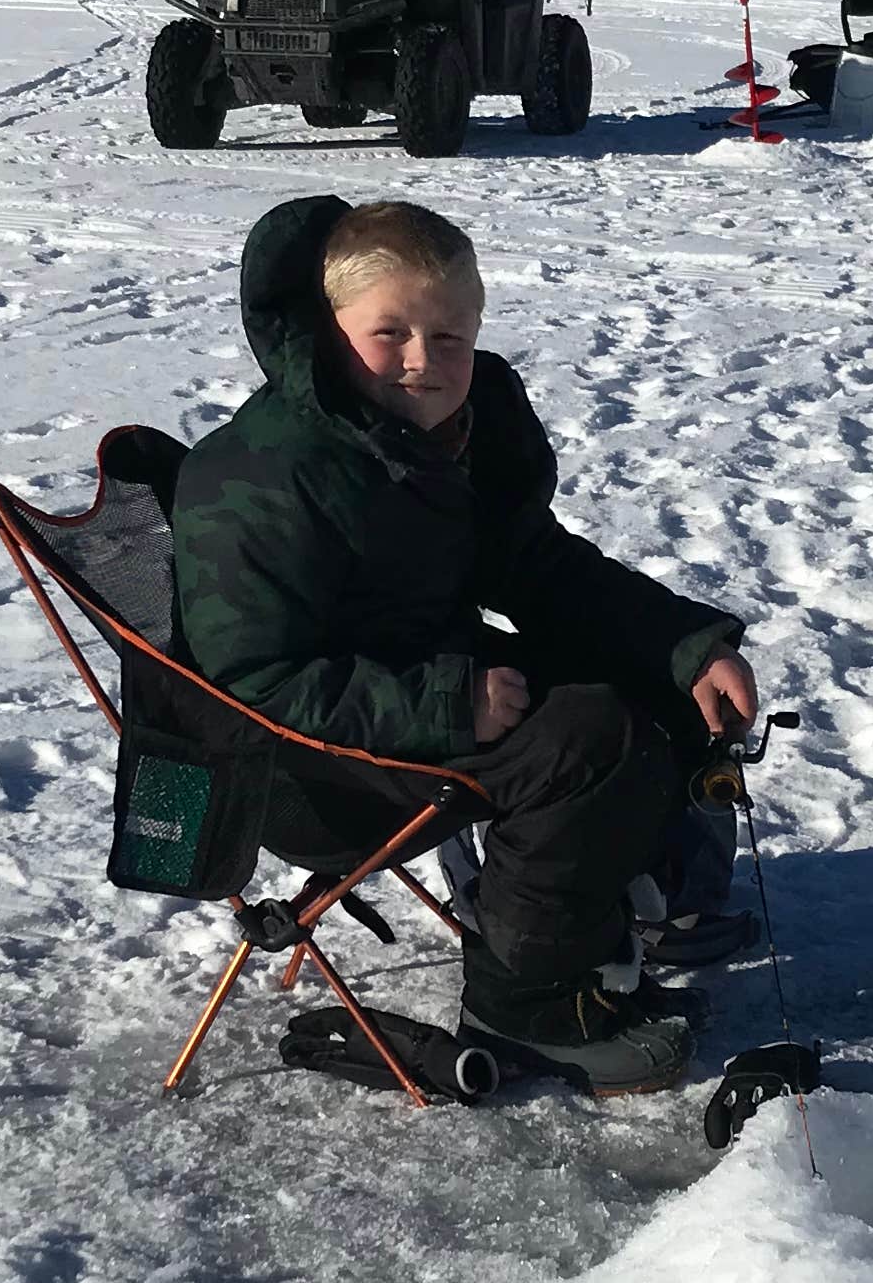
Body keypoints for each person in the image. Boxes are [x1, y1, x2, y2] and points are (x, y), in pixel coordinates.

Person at [171, 195, 759, 1093]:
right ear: (327, 329)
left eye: (450, 337)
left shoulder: (447, 432)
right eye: (390, 332)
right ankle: (524, 1010)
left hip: (420, 691)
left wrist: (684, 644)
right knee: (585, 742)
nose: (424, 361)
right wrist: (448, 701)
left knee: (647, 683)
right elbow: (253, 683)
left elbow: (535, 568)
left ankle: (635, 909)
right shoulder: (258, 476)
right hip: (309, 768)